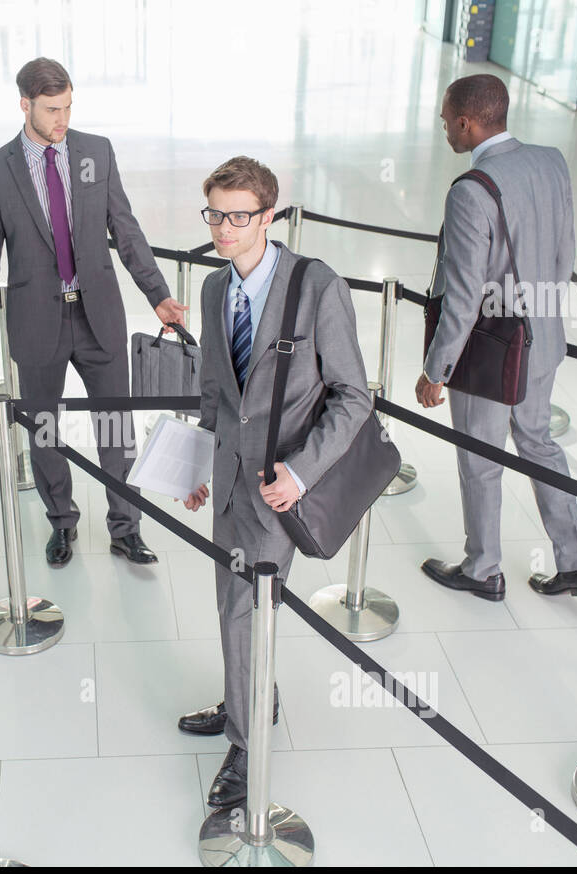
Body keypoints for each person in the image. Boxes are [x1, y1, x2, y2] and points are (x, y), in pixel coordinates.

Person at [179, 157, 372, 807]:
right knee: (234, 607)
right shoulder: (213, 290)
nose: (224, 229)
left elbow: (352, 397)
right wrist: (198, 461)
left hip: (281, 482)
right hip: (230, 474)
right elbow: (215, 388)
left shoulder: (315, 287)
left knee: (243, 608)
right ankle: (252, 695)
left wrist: (302, 469)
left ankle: (246, 741)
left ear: (269, 216)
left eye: (238, 216)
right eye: (215, 215)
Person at [0, 56, 188, 569]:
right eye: (50, 109)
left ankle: (125, 528)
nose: (61, 118)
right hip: (36, 320)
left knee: (116, 427)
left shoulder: (96, 153)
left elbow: (125, 230)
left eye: (67, 106)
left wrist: (157, 294)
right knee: (44, 430)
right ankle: (61, 523)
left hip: (98, 315)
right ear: (25, 105)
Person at [418, 74, 577, 601]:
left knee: (480, 457)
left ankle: (483, 569)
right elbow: (565, 256)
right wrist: (540, 316)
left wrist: (437, 370)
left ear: (466, 122)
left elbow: (463, 294)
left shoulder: (471, 191)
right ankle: (576, 563)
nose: (443, 129)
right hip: (543, 337)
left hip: (493, 352)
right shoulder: (550, 161)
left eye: (446, 119)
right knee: (539, 444)